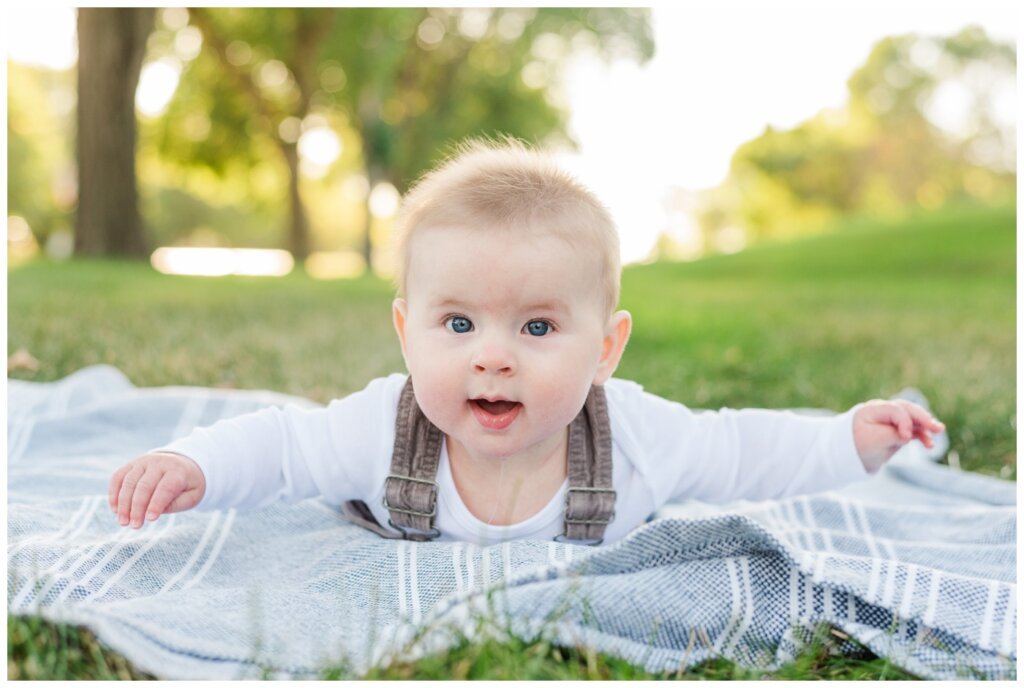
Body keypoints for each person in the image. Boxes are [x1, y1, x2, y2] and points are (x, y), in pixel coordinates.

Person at [108, 138, 945, 546]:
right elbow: (282, 447)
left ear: (606, 351)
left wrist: (847, 440)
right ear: (407, 333)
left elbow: (742, 450)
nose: (493, 356)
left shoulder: (638, 439)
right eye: (458, 324)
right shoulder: (380, 430)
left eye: (538, 327)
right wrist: (195, 468)